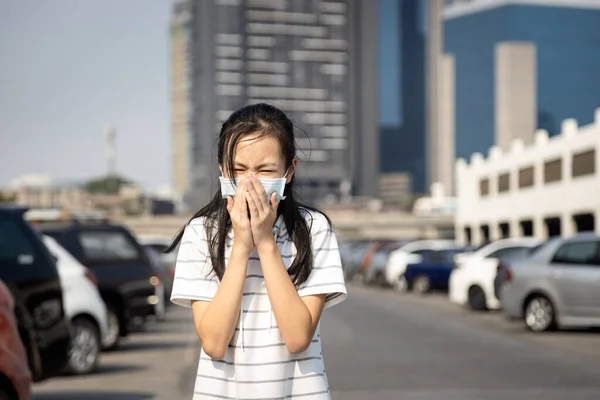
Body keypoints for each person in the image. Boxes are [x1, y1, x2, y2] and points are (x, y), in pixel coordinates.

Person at [168, 103, 347, 399]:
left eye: (265, 170)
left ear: (289, 171)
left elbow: (297, 337)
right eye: (238, 169)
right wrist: (240, 246)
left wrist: (265, 243)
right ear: (222, 169)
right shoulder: (202, 232)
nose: (249, 182)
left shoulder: (313, 229)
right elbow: (213, 342)